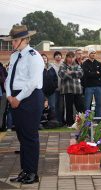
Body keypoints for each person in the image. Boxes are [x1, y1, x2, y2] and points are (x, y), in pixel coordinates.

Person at [1, 25, 44, 184]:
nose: (13, 44)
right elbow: (8, 78)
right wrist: (10, 95)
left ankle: (32, 172)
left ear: (25, 40)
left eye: (16, 40)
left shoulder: (34, 56)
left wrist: (18, 98)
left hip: (30, 98)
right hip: (15, 97)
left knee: (30, 137)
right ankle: (25, 170)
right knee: (22, 137)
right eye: (12, 41)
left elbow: (32, 82)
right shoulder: (14, 56)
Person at [58, 51, 85, 126]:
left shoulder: (77, 65)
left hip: (77, 89)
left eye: (72, 57)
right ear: (66, 57)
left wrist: (71, 72)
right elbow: (62, 75)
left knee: (80, 106)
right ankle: (69, 123)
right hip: (67, 90)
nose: (71, 59)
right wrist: (74, 74)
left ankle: (83, 122)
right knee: (69, 107)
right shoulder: (63, 65)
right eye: (69, 57)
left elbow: (81, 73)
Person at [82, 48, 101, 117]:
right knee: (87, 104)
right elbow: (86, 74)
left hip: (98, 86)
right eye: (92, 53)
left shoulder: (99, 63)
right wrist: (96, 73)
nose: (93, 54)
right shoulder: (85, 64)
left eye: (94, 53)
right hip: (88, 86)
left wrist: (91, 73)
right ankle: (86, 120)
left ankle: (99, 120)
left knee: (99, 104)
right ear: (89, 54)